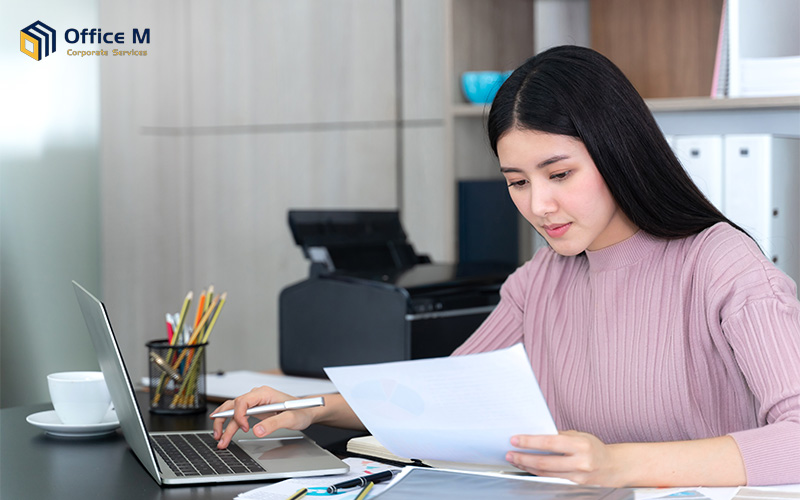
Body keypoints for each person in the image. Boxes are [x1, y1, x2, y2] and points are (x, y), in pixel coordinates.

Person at [212, 45, 800, 487]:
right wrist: (311, 409)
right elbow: (448, 395)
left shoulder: (721, 264)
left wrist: (618, 464)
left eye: (559, 174)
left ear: (619, 150)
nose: (539, 206)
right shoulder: (540, 279)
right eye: (517, 182)